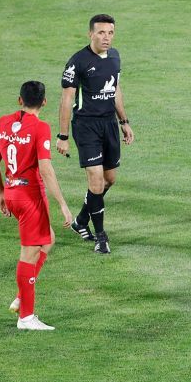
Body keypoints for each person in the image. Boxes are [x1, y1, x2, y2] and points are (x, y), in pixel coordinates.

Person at [0, 81, 73, 330]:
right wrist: (63, 205)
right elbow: (45, 170)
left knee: (48, 239)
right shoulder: (40, 127)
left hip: (12, 193)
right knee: (28, 253)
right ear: (44, 102)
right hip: (30, 197)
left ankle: (21, 295)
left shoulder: (2, 123)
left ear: (20, 100)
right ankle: (26, 317)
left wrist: (1, 193)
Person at [57, 14, 134, 254]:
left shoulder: (115, 57)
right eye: (101, 33)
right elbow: (67, 99)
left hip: (109, 124)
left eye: (110, 33)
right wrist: (63, 136)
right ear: (90, 33)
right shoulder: (77, 62)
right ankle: (101, 237)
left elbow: (115, 89)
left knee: (109, 179)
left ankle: (81, 220)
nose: (106, 38)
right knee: (96, 180)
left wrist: (124, 121)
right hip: (86, 126)